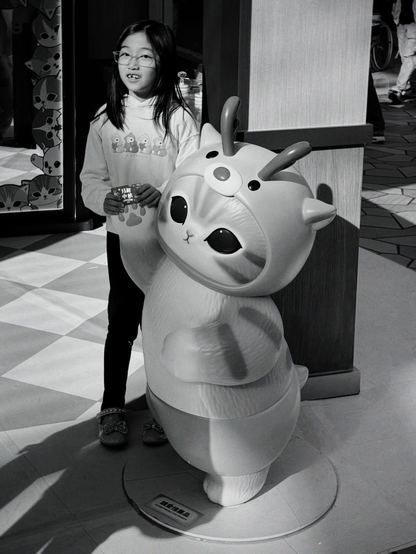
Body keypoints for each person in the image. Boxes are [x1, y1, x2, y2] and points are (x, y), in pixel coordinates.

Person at [80, 20, 200, 448]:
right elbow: (90, 180)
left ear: (163, 62)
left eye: (145, 56)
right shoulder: (105, 119)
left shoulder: (179, 119)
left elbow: (192, 176)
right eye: (125, 54)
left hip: (170, 244)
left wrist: (164, 190)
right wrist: (103, 200)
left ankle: (166, 409)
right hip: (124, 240)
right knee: (122, 323)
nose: (132, 64)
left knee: (165, 325)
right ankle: (112, 406)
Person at [388, 0, 416, 105]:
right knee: (404, 57)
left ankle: (398, 88)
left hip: (413, 25)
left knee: (409, 56)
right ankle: (408, 88)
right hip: (400, 22)